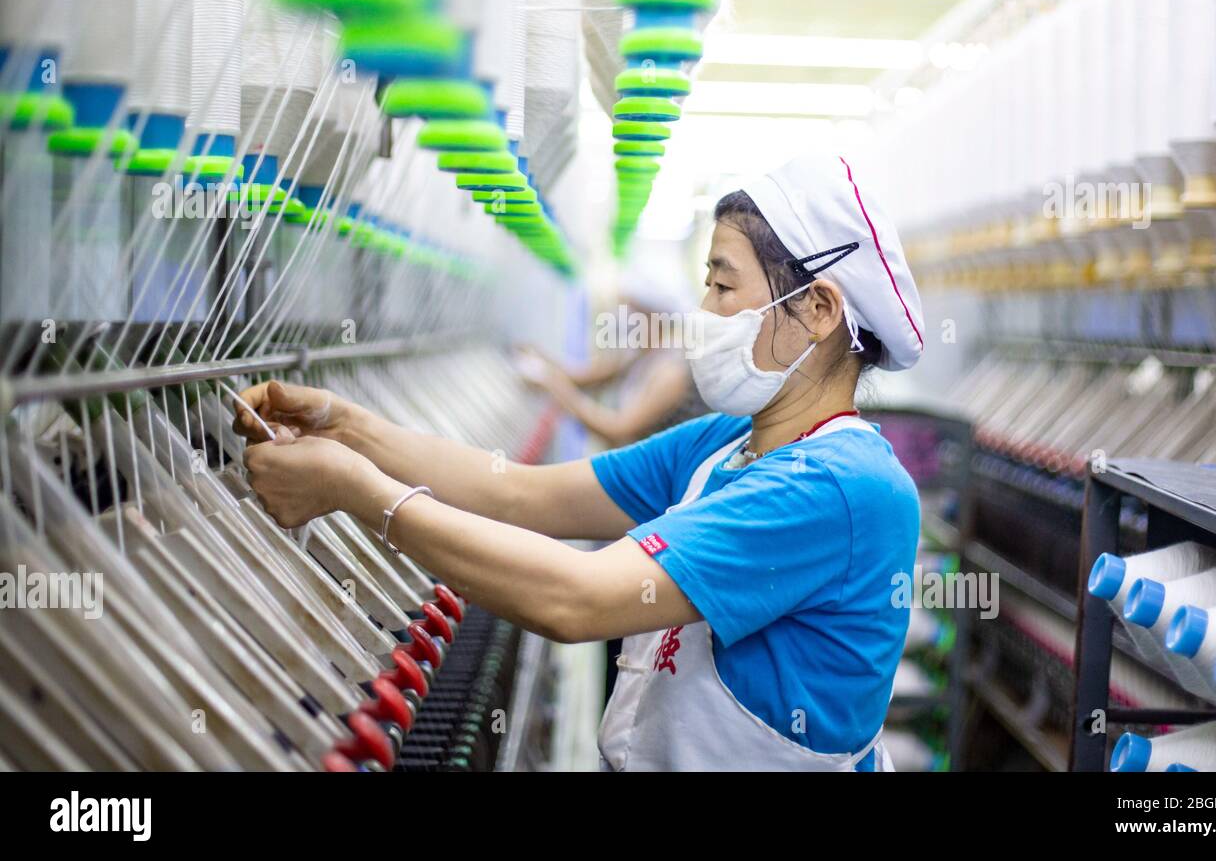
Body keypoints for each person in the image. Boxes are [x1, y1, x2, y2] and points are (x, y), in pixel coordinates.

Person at [237, 153, 926, 771]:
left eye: (722, 285)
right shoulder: (723, 443)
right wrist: (348, 426)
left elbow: (577, 597)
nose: (703, 309)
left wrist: (358, 491)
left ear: (818, 308)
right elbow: (516, 493)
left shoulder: (839, 487)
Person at [516, 271, 706, 447]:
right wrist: (541, 359)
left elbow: (619, 431)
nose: (623, 318)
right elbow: (582, 378)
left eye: (632, 312)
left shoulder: (671, 372)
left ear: (654, 317)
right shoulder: (637, 353)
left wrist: (555, 386)